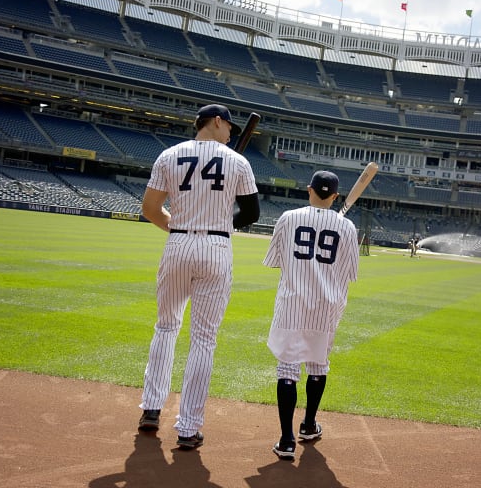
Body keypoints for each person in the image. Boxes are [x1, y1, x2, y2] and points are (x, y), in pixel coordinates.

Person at [137, 103, 259, 450]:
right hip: (216, 247)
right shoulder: (238, 162)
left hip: (177, 242)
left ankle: (151, 409)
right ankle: (188, 428)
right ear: (217, 122)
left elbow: (150, 209)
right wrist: (220, 224)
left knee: (165, 327)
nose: (232, 132)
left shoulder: (169, 155)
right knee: (203, 339)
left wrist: (178, 227)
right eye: (229, 126)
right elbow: (251, 212)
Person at [263, 170, 359, 460]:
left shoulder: (288, 218)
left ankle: (286, 440)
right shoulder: (347, 227)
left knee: (287, 369)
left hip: (293, 301)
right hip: (327, 304)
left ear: (309, 189)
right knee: (318, 365)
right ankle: (308, 425)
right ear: (335, 196)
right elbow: (350, 273)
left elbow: (274, 261)